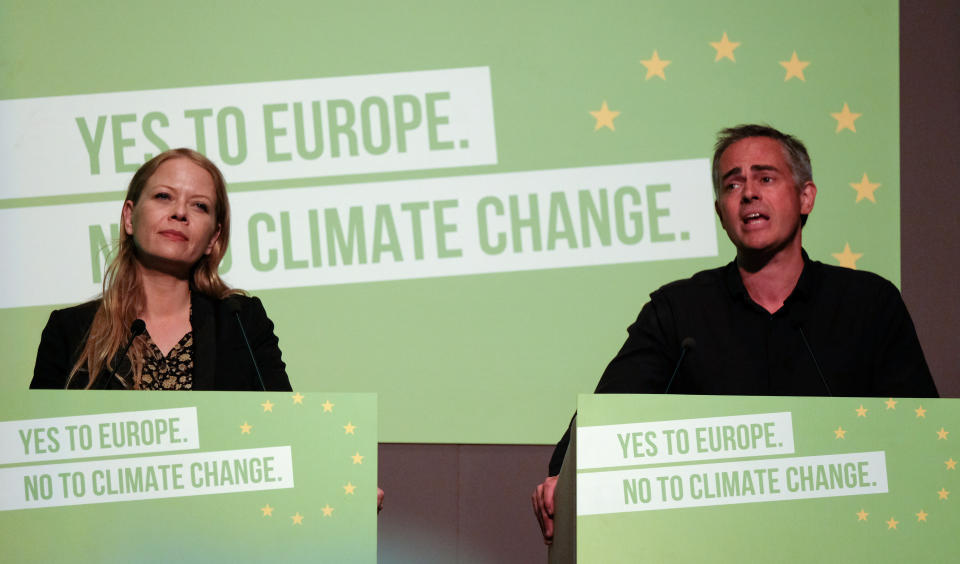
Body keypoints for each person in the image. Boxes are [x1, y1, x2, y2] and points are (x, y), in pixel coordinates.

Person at [531, 124, 938, 543]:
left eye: (765, 178)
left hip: (849, 537)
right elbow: (607, 411)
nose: (748, 193)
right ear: (720, 211)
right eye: (733, 184)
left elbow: (920, 435)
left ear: (805, 197)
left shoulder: (869, 304)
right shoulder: (679, 311)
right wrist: (564, 477)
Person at [31, 148, 290, 391]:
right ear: (129, 217)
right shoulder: (69, 331)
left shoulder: (241, 323)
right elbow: (39, 432)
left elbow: (283, 422)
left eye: (199, 205)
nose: (179, 212)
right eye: (164, 196)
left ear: (213, 237)